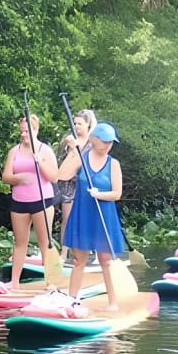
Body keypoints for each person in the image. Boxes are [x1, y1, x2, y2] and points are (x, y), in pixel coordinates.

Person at [57, 122, 125, 310]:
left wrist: (99, 194)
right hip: (83, 214)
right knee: (78, 260)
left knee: (105, 261)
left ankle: (113, 302)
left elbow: (117, 194)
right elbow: (61, 176)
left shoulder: (113, 164)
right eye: (104, 141)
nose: (108, 145)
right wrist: (73, 151)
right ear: (94, 139)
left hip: (104, 216)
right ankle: (72, 300)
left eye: (110, 142)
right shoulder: (82, 157)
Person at [1, 113, 59, 290]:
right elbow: (6, 177)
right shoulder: (14, 151)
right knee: (20, 243)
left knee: (45, 242)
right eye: (21, 131)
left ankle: (51, 282)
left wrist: (40, 162)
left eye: (27, 131)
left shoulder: (45, 150)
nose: (23, 134)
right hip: (19, 202)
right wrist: (19, 178)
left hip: (42, 201)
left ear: (35, 130)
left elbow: (54, 177)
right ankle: (14, 282)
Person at [57, 109, 97, 262]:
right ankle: (63, 253)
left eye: (80, 123)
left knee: (87, 219)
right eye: (75, 123)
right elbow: (61, 167)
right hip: (68, 184)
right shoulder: (68, 141)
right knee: (67, 219)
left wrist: (76, 149)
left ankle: (89, 251)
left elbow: (90, 164)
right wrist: (70, 148)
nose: (76, 126)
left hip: (85, 184)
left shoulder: (93, 143)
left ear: (88, 125)